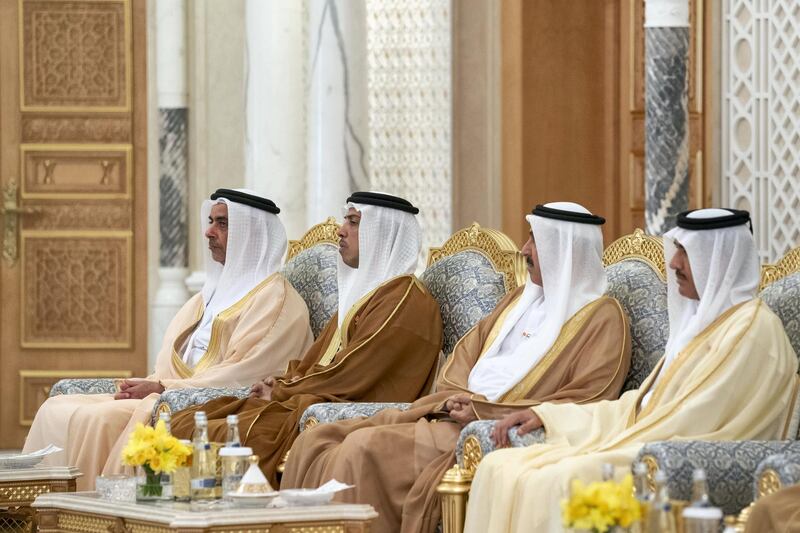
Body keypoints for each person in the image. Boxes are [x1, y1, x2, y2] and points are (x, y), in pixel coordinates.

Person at [281, 202, 632, 533]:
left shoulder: (602, 318)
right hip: (447, 416)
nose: (524, 251)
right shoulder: (518, 300)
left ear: (566, 251)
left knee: (362, 449)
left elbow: (587, 400)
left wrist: (483, 411)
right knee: (318, 440)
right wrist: (456, 400)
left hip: (488, 432)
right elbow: (465, 355)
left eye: (535, 242)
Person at [464, 208, 799, 533]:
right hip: (650, 440)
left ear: (719, 260)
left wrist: (606, 442)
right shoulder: (700, 325)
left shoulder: (752, 331)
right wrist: (548, 416)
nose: (674, 263)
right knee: (499, 467)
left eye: (685, 251)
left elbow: (692, 420)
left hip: (680, 457)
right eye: (677, 249)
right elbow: (642, 406)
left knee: (561, 479)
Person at [23, 189, 314, 490]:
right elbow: (169, 357)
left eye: (223, 224)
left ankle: (89, 517)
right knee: (56, 408)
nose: (208, 231)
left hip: (200, 403)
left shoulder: (276, 300)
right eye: (211, 221)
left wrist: (163, 388)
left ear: (252, 234)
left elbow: (246, 374)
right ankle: (36, 514)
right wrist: (151, 384)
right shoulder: (212, 294)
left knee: (100, 419)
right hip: (165, 392)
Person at [170, 191, 444, 485]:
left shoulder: (405, 300)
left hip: (351, 411)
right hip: (315, 397)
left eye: (353, 222)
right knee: (190, 420)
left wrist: (284, 390)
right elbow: (321, 360)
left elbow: (354, 375)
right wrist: (282, 381)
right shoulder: (369, 296)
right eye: (345, 221)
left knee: (237, 433)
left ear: (384, 234)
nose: (341, 231)